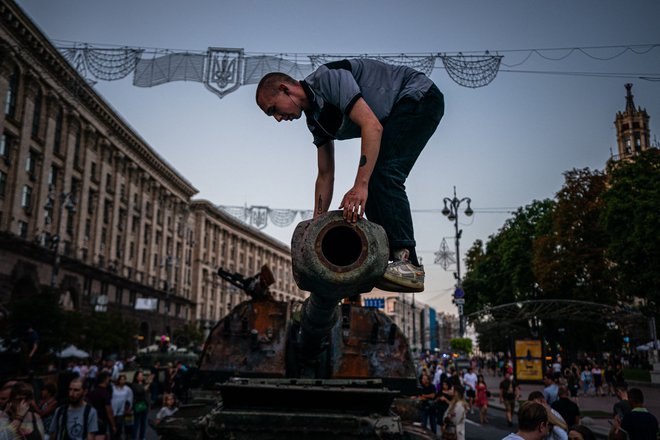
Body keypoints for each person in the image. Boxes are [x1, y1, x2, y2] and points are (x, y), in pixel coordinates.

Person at [255, 59, 445, 293]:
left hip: (418, 97)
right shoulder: (315, 121)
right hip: (396, 113)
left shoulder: (328, 79)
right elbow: (325, 175)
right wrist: (317, 227)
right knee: (373, 181)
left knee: (381, 177)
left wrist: (359, 186)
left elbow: (371, 126)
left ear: (285, 88)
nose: (277, 118)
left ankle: (407, 264)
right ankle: (399, 261)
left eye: (273, 109)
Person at [86, 372, 116, 439]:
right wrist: (113, 425)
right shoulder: (105, 393)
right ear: (105, 380)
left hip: (92, 419)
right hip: (102, 420)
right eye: (108, 379)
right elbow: (109, 411)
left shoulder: (92, 391)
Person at [110, 375, 133, 440]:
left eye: (124, 379)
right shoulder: (113, 388)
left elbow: (130, 399)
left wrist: (129, 408)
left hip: (122, 411)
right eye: (121, 379)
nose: (122, 381)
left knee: (120, 427)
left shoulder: (128, 389)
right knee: (113, 428)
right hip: (113, 410)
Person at [129, 372, 149, 440]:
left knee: (144, 422)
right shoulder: (134, 385)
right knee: (136, 422)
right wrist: (148, 385)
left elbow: (147, 394)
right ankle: (134, 437)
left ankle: (142, 437)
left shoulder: (143, 384)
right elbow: (140, 391)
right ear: (136, 377)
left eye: (142, 375)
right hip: (138, 404)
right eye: (140, 375)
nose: (141, 377)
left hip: (145, 404)